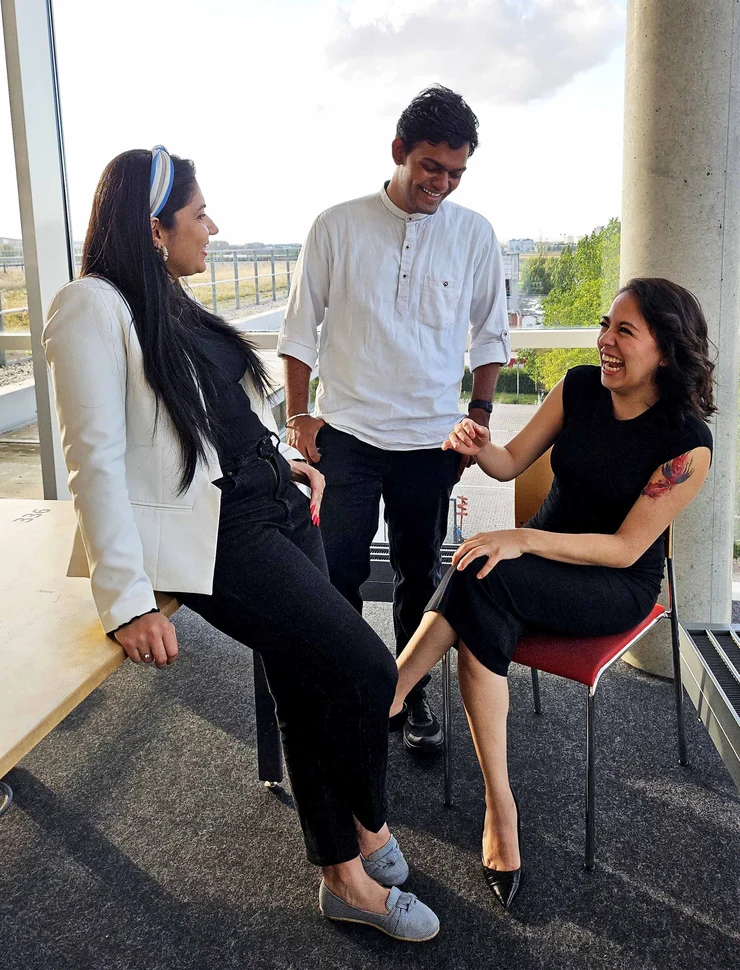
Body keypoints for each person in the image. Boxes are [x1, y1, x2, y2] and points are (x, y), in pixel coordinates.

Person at [42, 147, 440, 942]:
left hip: (272, 501)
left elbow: (216, 409)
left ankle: (343, 880)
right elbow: (93, 460)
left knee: (305, 681)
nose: (213, 229)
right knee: (365, 669)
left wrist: (283, 457)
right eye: (198, 216)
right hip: (219, 534)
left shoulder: (170, 301)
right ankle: (368, 829)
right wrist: (124, 602)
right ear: (154, 228)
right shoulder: (92, 305)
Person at [388, 278, 714, 910]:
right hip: (534, 564)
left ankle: (390, 694)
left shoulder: (687, 444)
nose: (604, 342)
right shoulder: (579, 386)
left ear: (667, 351)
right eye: (604, 325)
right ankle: (496, 804)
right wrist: (481, 449)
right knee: (485, 576)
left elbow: (624, 549)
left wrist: (521, 540)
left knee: (490, 566)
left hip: (613, 584)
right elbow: (511, 463)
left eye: (624, 331)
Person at [278, 85, 511, 755]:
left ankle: (410, 697)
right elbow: (299, 333)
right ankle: (350, 691)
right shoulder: (336, 225)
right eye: (431, 167)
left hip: (430, 442)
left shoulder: (475, 235)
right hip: (346, 435)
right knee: (338, 573)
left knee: (419, 574)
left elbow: (489, 338)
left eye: (455, 172)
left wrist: (479, 418)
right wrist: (300, 417)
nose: (441, 183)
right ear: (399, 152)